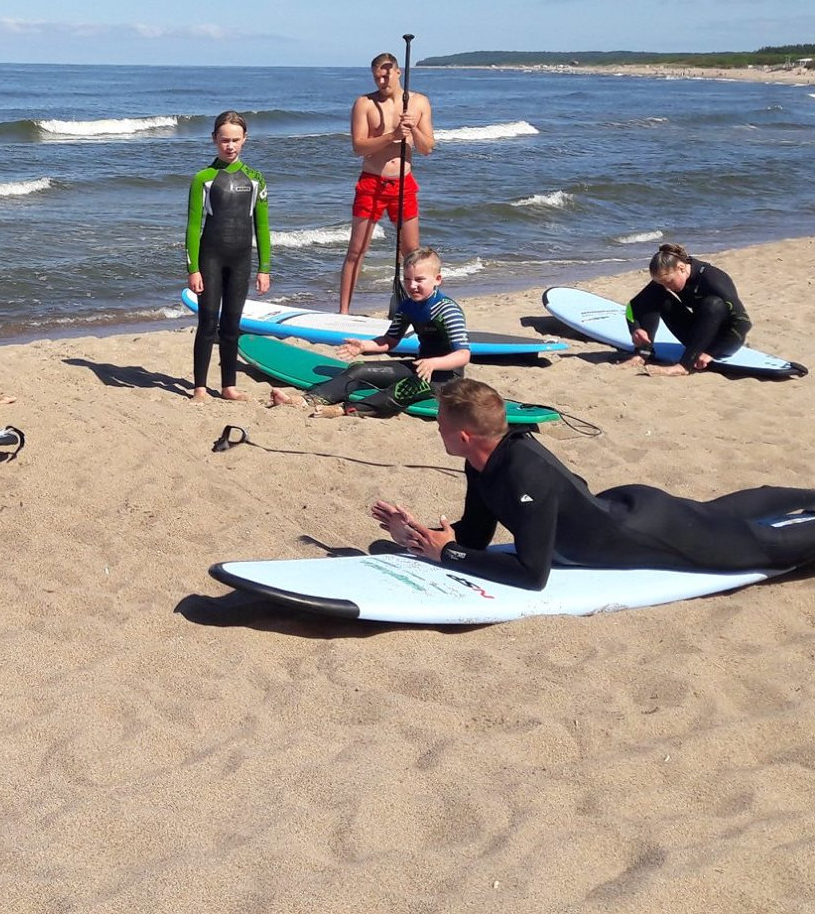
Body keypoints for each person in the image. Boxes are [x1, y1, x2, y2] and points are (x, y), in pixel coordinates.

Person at [371, 378, 815, 591]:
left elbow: (532, 575)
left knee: (766, 546)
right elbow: (476, 536)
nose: (436, 430)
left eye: (440, 425)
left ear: (464, 436)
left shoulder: (525, 473)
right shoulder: (480, 462)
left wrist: (447, 553)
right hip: (628, 509)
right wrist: (417, 534)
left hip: (651, 534)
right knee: (720, 515)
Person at [269, 247, 469, 417]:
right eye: (407, 279)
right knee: (358, 368)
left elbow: (463, 355)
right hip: (420, 367)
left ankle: (343, 410)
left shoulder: (447, 310)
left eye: (419, 280)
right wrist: (364, 346)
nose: (412, 286)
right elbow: (390, 340)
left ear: (437, 279)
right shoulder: (407, 306)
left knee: (401, 389)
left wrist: (434, 363)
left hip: (445, 379)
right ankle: (308, 400)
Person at [186, 111, 273, 401]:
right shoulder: (203, 179)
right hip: (210, 259)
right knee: (208, 324)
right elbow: (193, 227)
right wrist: (193, 269)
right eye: (224, 140)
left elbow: (262, 226)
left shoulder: (256, 179)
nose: (230, 146)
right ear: (214, 139)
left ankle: (228, 386)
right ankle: (199, 386)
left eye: (236, 140)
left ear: (245, 139)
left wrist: (264, 268)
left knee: (232, 325)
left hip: (240, 261)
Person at [339, 52, 435, 315]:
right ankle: (343, 312)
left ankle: (416, 309)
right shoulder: (364, 104)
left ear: (397, 72)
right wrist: (391, 136)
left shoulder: (419, 102)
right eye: (376, 76)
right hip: (371, 182)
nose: (382, 80)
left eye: (386, 73)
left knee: (412, 253)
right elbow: (358, 147)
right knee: (357, 249)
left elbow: (427, 148)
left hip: (403, 184)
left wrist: (412, 128)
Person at [625, 243, 752, 376]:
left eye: (669, 282)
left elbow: (744, 323)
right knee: (655, 293)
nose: (667, 287)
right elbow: (632, 306)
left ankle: (684, 366)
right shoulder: (669, 278)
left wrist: (711, 353)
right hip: (697, 339)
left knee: (712, 304)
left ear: (681, 268)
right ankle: (644, 353)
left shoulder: (713, 280)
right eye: (663, 283)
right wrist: (635, 328)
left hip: (725, 342)